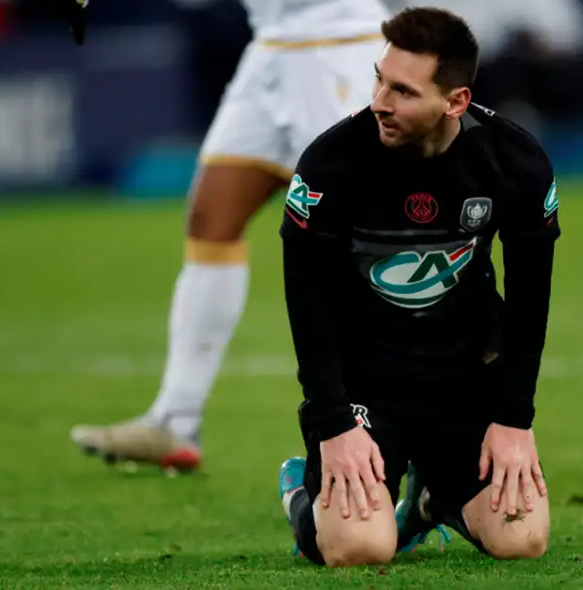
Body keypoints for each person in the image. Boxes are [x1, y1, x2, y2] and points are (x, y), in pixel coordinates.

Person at [275, 7, 559, 566]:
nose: (380, 101)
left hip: (465, 376)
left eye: (403, 91)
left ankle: (433, 500)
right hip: (367, 384)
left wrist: (513, 419)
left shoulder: (514, 162)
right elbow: (306, 300)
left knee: (522, 541)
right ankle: (299, 489)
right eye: (379, 79)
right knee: (360, 548)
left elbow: (530, 300)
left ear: (454, 102)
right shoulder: (332, 163)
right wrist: (333, 424)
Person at [68, 0, 391, 472]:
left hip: (338, 46)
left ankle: (412, 430)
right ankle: (176, 419)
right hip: (271, 48)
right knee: (211, 220)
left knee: (371, 239)